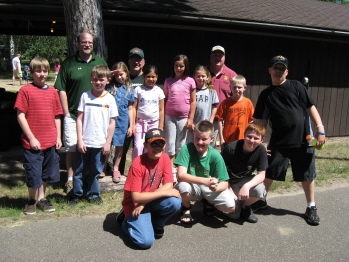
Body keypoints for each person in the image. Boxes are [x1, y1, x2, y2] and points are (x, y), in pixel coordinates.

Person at [252, 55, 326, 226]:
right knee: (269, 171)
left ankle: (311, 207)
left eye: (281, 68)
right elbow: (262, 122)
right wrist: (260, 142)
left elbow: (310, 107)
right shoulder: (266, 94)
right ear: (269, 70)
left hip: (303, 140)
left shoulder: (297, 86)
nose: (278, 71)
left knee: (307, 174)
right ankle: (260, 200)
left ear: (287, 71)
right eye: (275, 68)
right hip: (279, 142)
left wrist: (320, 128)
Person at [55, 30, 108, 194]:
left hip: (94, 115)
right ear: (78, 43)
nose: (87, 45)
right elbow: (61, 89)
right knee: (72, 147)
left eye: (90, 43)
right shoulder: (69, 63)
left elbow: (106, 82)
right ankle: (70, 180)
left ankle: (90, 180)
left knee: (93, 146)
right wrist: (65, 113)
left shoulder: (99, 62)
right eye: (84, 42)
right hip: (72, 114)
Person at [117, 128, 181, 249]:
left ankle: (157, 224)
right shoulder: (138, 163)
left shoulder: (165, 158)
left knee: (175, 201)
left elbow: (169, 185)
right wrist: (141, 204)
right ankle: (125, 222)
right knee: (145, 242)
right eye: (153, 143)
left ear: (165, 145)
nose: (158, 147)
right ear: (145, 145)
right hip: (134, 205)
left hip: (147, 201)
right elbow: (136, 197)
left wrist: (144, 203)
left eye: (161, 143)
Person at [14, 57, 63, 215]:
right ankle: (31, 200)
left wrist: (58, 137)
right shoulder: (25, 91)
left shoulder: (53, 92)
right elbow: (20, 115)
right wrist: (31, 137)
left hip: (50, 140)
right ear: (31, 72)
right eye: (38, 71)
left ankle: (42, 198)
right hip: (32, 142)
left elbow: (57, 115)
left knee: (45, 172)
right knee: (33, 171)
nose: (42, 74)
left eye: (45, 70)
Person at [68, 65, 118, 204]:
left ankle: (93, 194)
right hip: (85, 141)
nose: (98, 82)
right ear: (91, 80)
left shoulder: (110, 100)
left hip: (100, 143)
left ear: (108, 80)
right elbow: (79, 119)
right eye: (95, 79)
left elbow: (112, 123)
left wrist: (108, 142)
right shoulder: (85, 96)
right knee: (79, 169)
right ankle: (76, 194)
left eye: (101, 79)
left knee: (96, 170)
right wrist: (80, 140)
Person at [175, 120, 236, 224]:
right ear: (193, 135)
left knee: (230, 206)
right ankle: (186, 207)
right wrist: (205, 181)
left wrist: (216, 187)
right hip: (193, 185)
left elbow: (224, 182)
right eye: (197, 138)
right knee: (183, 188)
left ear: (212, 139)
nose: (199, 142)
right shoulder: (187, 149)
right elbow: (181, 175)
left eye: (204, 139)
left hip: (209, 187)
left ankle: (209, 202)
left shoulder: (216, 156)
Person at [221, 122, 268, 223]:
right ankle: (232, 203)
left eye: (256, 138)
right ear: (244, 135)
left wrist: (247, 186)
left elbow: (261, 174)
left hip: (242, 181)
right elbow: (220, 174)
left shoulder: (261, 150)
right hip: (227, 182)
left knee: (260, 190)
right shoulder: (231, 148)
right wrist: (230, 191)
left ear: (262, 140)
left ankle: (245, 206)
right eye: (249, 136)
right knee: (234, 217)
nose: (252, 140)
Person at [164, 54, 196, 178]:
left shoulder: (190, 81)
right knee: (170, 143)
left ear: (186, 67)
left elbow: (193, 101)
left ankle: (180, 169)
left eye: (181, 66)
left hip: (183, 117)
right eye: (176, 66)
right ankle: (169, 170)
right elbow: (166, 98)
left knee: (181, 143)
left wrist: (191, 118)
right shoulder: (168, 81)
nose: (178, 68)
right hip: (170, 116)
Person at [118, 47, 146, 177]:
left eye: (139, 59)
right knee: (122, 149)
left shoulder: (147, 78)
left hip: (143, 121)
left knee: (142, 149)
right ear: (128, 61)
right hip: (126, 120)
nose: (136, 62)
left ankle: (141, 174)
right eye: (133, 59)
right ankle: (118, 172)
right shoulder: (123, 78)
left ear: (143, 62)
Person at [105, 61, 135, 183]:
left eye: (121, 74)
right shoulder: (109, 87)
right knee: (106, 145)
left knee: (119, 146)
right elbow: (99, 79)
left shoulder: (129, 90)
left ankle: (116, 168)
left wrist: (131, 125)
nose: (119, 77)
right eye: (116, 75)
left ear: (127, 74)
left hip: (122, 122)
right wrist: (109, 74)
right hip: (109, 121)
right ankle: (104, 167)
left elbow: (131, 108)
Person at [132, 65, 165, 160]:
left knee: (150, 147)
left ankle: (147, 169)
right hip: (140, 123)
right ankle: (136, 167)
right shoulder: (138, 90)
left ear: (157, 77)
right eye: (148, 76)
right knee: (138, 146)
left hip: (153, 123)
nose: (151, 79)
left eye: (153, 77)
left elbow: (161, 109)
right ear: (144, 77)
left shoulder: (159, 91)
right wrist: (133, 124)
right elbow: (134, 107)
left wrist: (161, 126)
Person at [215, 74, 254, 151]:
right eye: (234, 87)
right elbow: (220, 120)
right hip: (228, 139)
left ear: (245, 87)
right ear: (230, 87)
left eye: (239, 87)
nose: (237, 89)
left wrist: (250, 137)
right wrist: (221, 139)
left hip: (243, 138)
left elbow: (251, 121)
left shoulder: (248, 103)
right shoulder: (225, 103)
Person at [208, 45, 237, 147]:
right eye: (215, 55)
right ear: (210, 57)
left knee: (226, 146)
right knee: (207, 146)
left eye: (220, 56)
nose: (217, 58)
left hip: (225, 120)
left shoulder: (232, 75)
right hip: (208, 118)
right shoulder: (204, 73)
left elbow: (237, 98)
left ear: (224, 58)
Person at [187, 65, 219, 146]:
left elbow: (214, 106)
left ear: (207, 77)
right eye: (198, 76)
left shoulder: (211, 91)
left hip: (206, 122)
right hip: (194, 123)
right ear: (194, 77)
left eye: (203, 76)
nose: (201, 78)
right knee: (193, 143)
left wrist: (211, 120)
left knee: (205, 143)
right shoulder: (191, 91)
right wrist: (190, 121)